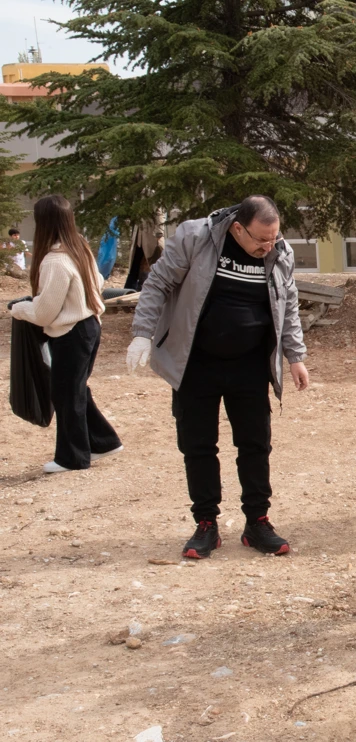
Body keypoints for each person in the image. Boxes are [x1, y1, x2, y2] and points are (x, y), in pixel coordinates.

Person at [127, 196, 310, 559]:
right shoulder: (195, 238)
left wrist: (295, 356)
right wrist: (141, 334)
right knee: (198, 446)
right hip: (196, 363)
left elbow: (287, 303)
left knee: (255, 445)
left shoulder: (279, 252)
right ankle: (206, 524)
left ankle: (257, 522)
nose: (268, 246)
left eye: (273, 238)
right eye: (261, 239)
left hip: (250, 365)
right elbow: (158, 284)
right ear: (238, 228)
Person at [9, 195, 123, 474]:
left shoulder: (53, 261)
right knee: (75, 389)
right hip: (89, 327)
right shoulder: (79, 246)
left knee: (66, 393)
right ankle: (103, 441)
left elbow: (44, 313)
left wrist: (19, 309)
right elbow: (99, 281)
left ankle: (72, 457)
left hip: (71, 333)